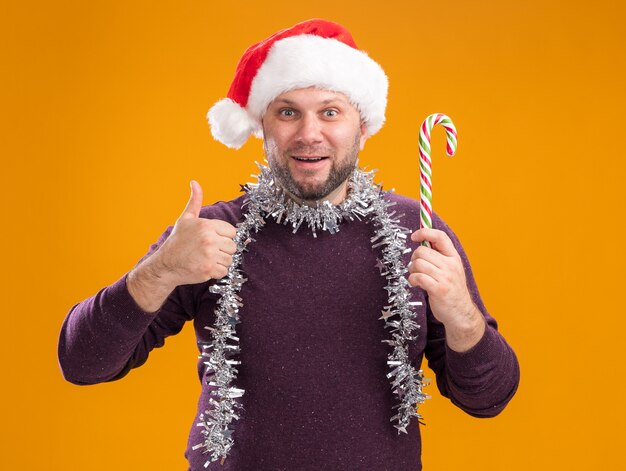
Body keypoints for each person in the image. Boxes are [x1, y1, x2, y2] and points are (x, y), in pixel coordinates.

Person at [58, 18, 520, 471]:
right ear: (263, 126)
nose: (308, 133)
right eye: (287, 111)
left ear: (362, 127)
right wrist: (161, 271)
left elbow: (488, 398)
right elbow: (82, 363)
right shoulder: (212, 233)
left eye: (330, 111)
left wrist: (460, 312)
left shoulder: (414, 231)